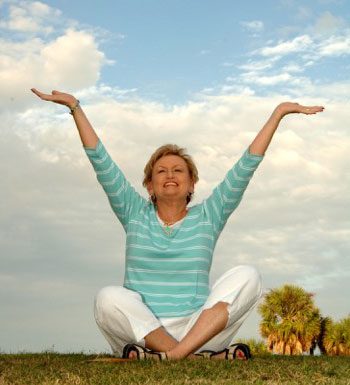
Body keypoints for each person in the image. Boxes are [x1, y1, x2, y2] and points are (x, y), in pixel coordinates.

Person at [31, 88, 324, 360]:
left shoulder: (209, 215)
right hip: (143, 332)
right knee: (107, 298)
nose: (169, 174)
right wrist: (75, 108)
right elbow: (101, 162)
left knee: (248, 275)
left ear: (191, 182)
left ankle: (174, 356)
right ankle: (193, 358)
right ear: (149, 184)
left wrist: (278, 113)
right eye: (160, 170)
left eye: (178, 170)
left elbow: (246, 166)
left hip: (199, 329)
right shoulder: (134, 211)